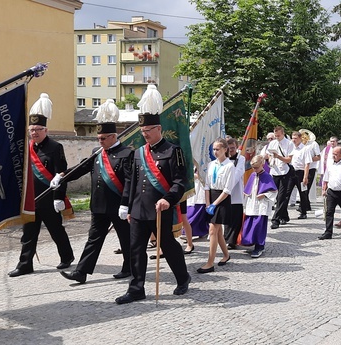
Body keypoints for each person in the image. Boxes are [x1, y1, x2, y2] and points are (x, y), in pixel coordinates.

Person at [118, 91, 191, 304]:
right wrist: (127, 205)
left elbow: (180, 181)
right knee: (135, 249)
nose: (145, 134)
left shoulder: (173, 151)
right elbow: (131, 181)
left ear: (158, 128)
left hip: (161, 209)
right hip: (139, 209)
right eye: (142, 131)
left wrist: (169, 198)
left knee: (167, 245)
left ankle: (182, 277)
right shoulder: (139, 153)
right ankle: (136, 288)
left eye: (148, 130)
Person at [59, 122, 132, 284]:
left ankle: (130, 266)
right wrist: (63, 176)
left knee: (125, 238)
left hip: (118, 205)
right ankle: (81, 271)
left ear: (114, 136)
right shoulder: (97, 152)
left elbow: (129, 182)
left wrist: (126, 203)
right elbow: (81, 168)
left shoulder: (127, 153)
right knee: (93, 238)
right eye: (98, 138)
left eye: (103, 138)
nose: (100, 141)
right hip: (98, 206)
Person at [9, 100, 75, 278]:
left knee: (56, 230)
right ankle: (25, 265)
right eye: (31, 129)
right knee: (28, 234)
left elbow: (61, 175)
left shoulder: (55, 147)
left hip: (49, 199)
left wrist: (59, 197)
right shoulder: (26, 148)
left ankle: (67, 256)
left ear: (45, 130)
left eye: (38, 129)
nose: (34, 133)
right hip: (31, 199)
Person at [197, 139, 234, 273]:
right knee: (218, 232)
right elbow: (207, 185)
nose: (215, 152)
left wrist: (214, 204)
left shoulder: (230, 166)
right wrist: (208, 203)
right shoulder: (211, 164)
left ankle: (210, 262)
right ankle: (226, 255)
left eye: (218, 149)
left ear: (225, 149)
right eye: (214, 149)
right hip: (211, 197)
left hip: (222, 199)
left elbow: (227, 189)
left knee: (212, 230)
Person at [241, 155, 278, 258]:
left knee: (259, 226)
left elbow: (274, 191)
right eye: (253, 167)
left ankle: (259, 247)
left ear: (262, 164)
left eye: (257, 167)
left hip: (261, 205)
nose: (255, 169)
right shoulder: (253, 175)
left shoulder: (267, 176)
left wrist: (264, 194)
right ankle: (251, 243)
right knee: (250, 224)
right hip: (251, 204)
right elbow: (248, 190)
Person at [265, 126, 296, 229]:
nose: (277, 137)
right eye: (275, 135)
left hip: (284, 172)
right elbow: (268, 155)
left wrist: (278, 156)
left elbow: (288, 160)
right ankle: (284, 216)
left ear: (283, 133)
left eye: (278, 135)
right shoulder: (273, 143)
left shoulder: (289, 144)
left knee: (281, 196)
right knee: (274, 195)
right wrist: (270, 159)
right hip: (274, 171)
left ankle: (275, 220)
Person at [223, 138, 246, 249]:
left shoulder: (241, 158)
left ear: (236, 147)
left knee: (236, 217)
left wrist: (229, 184)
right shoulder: (224, 159)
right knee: (227, 217)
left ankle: (232, 240)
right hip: (224, 191)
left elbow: (238, 172)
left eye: (233, 148)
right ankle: (226, 238)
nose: (231, 150)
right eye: (229, 148)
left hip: (236, 191)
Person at [290, 131, 313, 219]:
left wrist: (305, 176)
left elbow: (307, 164)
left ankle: (303, 212)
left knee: (303, 193)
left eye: (295, 138)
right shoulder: (292, 148)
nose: (293, 140)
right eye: (292, 138)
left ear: (300, 138)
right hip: (292, 172)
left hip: (301, 172)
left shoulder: (305, 149)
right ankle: (282, 214)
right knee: (286, 193)